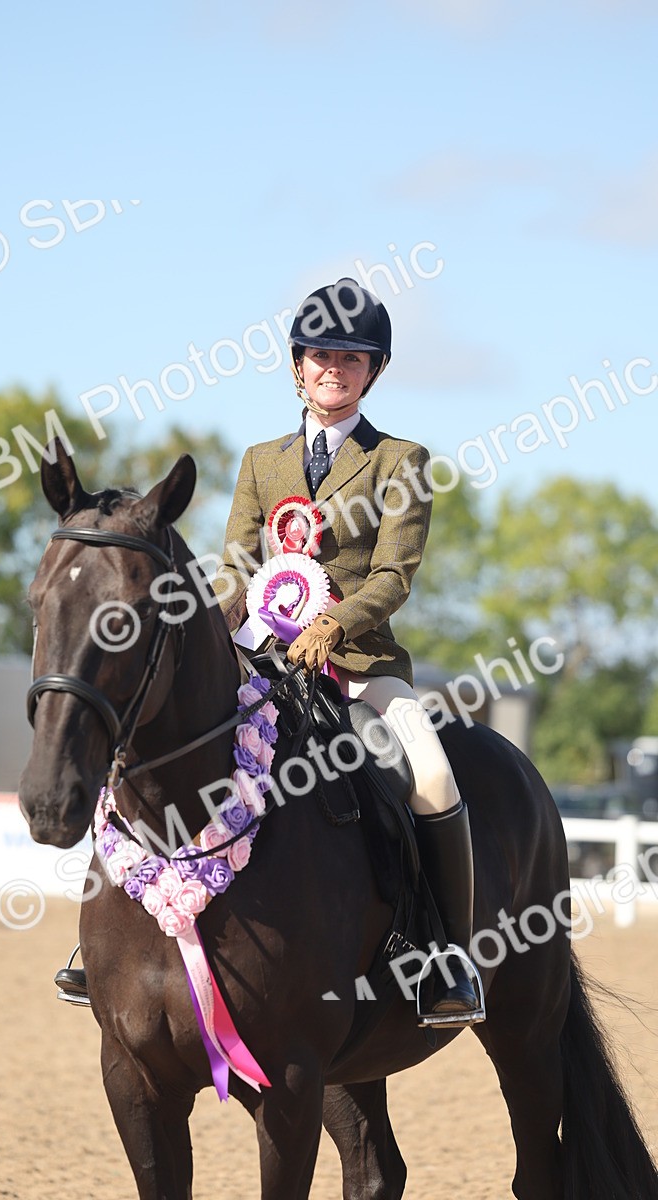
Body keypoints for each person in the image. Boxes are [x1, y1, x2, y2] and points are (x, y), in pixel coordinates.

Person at [212, 277, 483, 1025]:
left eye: (352, 358)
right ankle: (122, 933)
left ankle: (448, 957)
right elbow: (236, 563)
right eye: (322, 355)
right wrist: (219, 614)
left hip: (360, 667)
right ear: (297, 364)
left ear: (374, 371)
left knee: (432, 775)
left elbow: (394, 574)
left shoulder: (399, 460)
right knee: (170, 736)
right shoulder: (260, 461)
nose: (334, 368)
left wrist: (333, 626)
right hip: (261, 657)